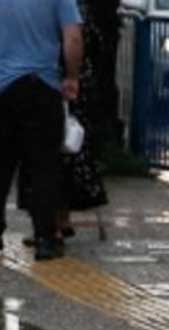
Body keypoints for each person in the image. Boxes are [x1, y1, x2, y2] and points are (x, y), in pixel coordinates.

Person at [18, 0, 109, 245]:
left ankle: (51, 226)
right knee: (68, 151)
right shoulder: (76, 7)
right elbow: (91, 42)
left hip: (52, 82)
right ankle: (60, 220)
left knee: (45, 157)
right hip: (75, 86)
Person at [0, 0, 83, 261]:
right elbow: (73, 37)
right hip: (44, 88)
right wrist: (71, 77)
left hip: (4, 89)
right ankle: (45, 239)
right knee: (44, 168)